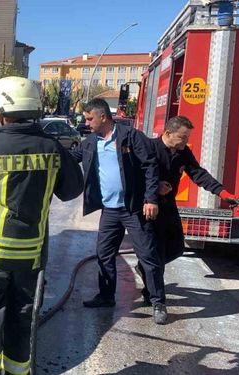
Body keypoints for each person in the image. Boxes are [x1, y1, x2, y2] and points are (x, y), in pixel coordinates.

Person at [0, 76, 83, 375]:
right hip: (30, 256)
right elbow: (71, 190)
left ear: (2, 111)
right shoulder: (52, 147)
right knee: (22, 318)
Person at [70, 98, 168, 325]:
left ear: (103, 117)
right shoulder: (90, 142)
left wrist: (151, 198)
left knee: (148, 256)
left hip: (134, 209)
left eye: (89, 118)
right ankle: (106, 297)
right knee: (104, 254)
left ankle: (158, 302)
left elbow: (150, 165)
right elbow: (70, 158)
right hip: (110, 211)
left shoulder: (131, 137)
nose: (87, 122)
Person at [135, 116, 239, 304]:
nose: (185, 142)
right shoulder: (149, 148)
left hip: (169, 207)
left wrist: (223, 194)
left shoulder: (183, 152)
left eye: (186, 138)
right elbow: (134, 176)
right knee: (156, 252)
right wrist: (155, 187)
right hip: (149, 208)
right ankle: (153, 296)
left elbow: (198, 173)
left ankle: (146, 268)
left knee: (176, 248)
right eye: (182, 138)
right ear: (168, 133)